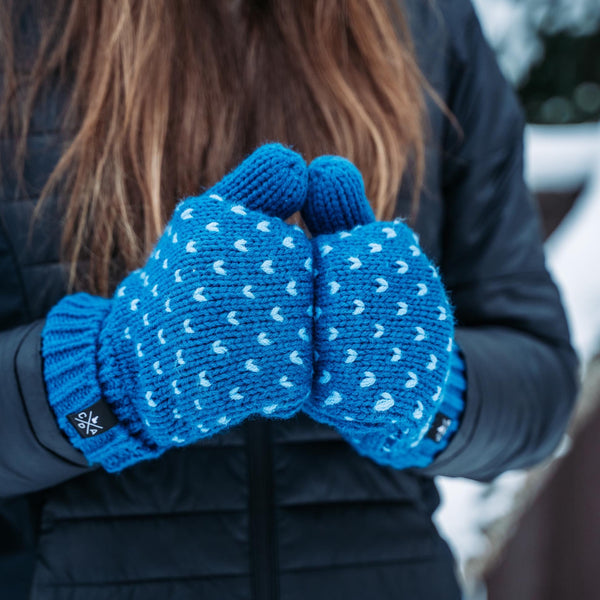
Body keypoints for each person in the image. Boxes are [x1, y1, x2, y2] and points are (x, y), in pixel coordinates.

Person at [0, 1, 577, 598]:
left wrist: (432, 400)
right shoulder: (19, 27)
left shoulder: (427, 21)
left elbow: (543, 384)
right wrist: (104, 387)